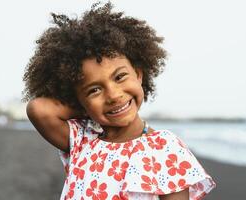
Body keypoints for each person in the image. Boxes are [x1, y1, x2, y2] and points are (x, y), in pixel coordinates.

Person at [23, 2, 216, 200]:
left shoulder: (165, 149)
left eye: (120, 77)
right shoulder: (83, 140)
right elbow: (39, 109)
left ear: (139, 75)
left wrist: (92, 101)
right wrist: (86, 105)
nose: (114, 95)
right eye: (94, 89)